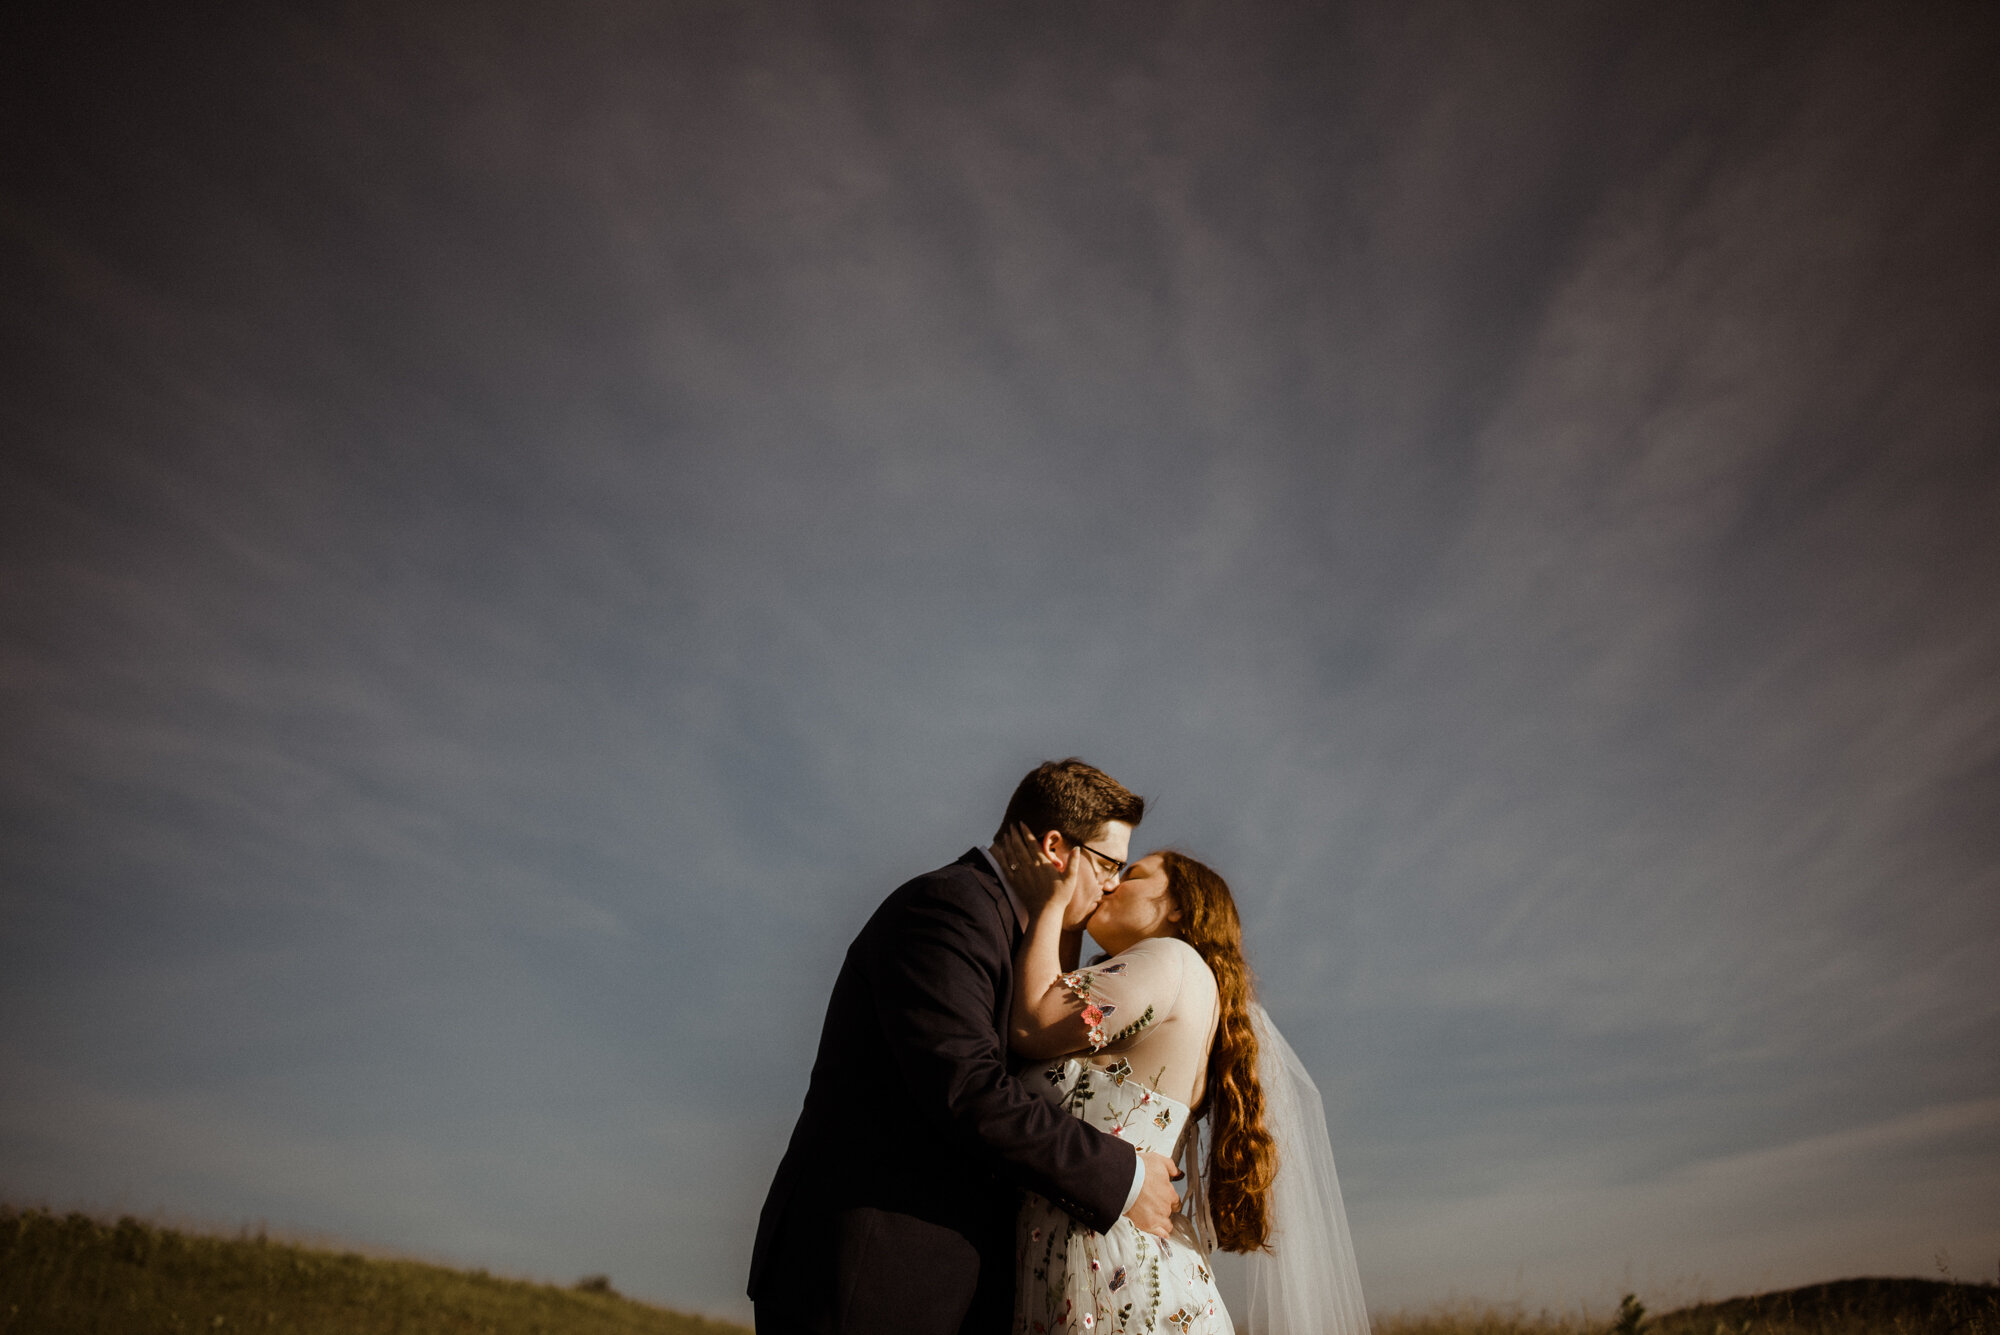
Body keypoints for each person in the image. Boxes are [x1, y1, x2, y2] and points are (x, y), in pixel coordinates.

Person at [748, 759, 1186, 1335]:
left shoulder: (1016, 933)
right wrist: (1123, 1177)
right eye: (1108, 864)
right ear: (1057, 848)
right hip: (871, 1278)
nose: (1111, 884)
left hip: (938, 1287)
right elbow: (969, 1088)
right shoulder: (950, 908)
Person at [999, 836, 1370, 1335]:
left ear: (1178, 905)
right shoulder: (1181, 979)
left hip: (1110, 1278)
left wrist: (1053, 901)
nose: (1111, 882)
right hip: (1113, 1268)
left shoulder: (1166, 958)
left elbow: (1033, 1023)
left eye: (1132, 875)